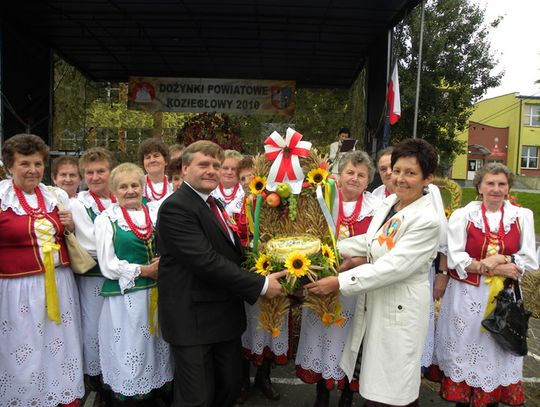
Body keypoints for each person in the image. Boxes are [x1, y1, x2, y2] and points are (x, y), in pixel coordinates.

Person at [307, 138, 441, 406]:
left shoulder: (427, 220)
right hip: (378, 306)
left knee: (394, 389)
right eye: (397, 170)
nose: (400, 178)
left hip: (399, 310)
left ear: (427, 178)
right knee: (379, 383)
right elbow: (371, 241)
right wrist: (320, 250)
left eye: (411, 173)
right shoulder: (393, 203)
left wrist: (338, 282)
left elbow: (391, 268)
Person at [156, 140, 285, 407]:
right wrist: (260, 284)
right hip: (192, 321)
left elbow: (229, 253)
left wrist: (268, 257)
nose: (212, 170)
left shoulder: (213, 204)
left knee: (227, 389)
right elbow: (206, 261)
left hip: (223, 318)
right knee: (197, 399)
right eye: (204, 164)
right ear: (185, 167)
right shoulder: (176, 207)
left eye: (216, 165)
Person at [434, 163, 538, 407]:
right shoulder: (464, 215)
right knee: (465, 350)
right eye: (490, 183)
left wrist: (503, 258)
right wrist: (492, 267)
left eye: (501, 184)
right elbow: (455, 256)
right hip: (466, 296)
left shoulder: (522, 217)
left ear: (508, 188)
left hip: (504, 298)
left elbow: (530, 258)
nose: (496, 189)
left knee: (498, 350)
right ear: (479, 187)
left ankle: (489, 400)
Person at [0, 133, 84, 406]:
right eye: (25, 163)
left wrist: (70, 225)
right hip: (17, 288)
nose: (33, 170)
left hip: (59, 283)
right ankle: (22, 398)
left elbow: (71, 236)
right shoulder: (2, 197)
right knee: (21, 345)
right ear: (9, 166)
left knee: (57, 341)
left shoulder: (55, 195)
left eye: (37, 164)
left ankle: (60, 394)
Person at [296, 150, 380, 407]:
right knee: (322, 331)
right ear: (339, 176)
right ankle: (322, 392)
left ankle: (347, 394)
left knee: (352, 339)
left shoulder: (376, 209)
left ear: (368, 182)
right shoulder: (323, 199)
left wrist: (355, 262)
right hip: (323, 284)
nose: (355, 178)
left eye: (361, 175)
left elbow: (381, 249)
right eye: (350, 172)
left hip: (356, 287)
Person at [95, 163, 173, 404]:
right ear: (114, 191)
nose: (130, 190)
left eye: (135, 185)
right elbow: (107, 264)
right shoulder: (107, 218)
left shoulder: (155, 212)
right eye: (123, 186)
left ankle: (156, 390)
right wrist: (144, 270)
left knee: (157, 344)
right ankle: (131, 395)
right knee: (132, 346)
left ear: (143, 186)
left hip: (158, 294)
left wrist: (164, 260)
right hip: (127, 297)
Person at [237, 156, 286, 403]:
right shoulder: (238, 205)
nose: (247, 182)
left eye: (252, 177)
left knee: (271, 326)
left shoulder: (276, 204)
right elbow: (235, 239)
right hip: (250, 276)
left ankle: (264, 377)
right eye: (243, 178)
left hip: (276, 273)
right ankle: (244, 380)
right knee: (248, 327)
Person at [70, 147, 116, 403]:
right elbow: (90, 243)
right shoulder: (79, 204)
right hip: (94, 275)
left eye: (101, 171)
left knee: (115, 326)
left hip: (118, 274)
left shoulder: (119, 197)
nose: (96, 176)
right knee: (94, 326)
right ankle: (96, 378)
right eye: (90, 172)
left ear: (111, 171)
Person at [138, 138, 172, 204]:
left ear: (166, 161)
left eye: (156, 156)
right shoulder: (138, 185)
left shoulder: (173, 184)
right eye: (148, 157)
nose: (152, 160)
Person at [211, 149, 244, 215]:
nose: (229, 172)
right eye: (225, 168)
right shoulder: (209, 190)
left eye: (234, 169)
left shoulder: (246, 192)